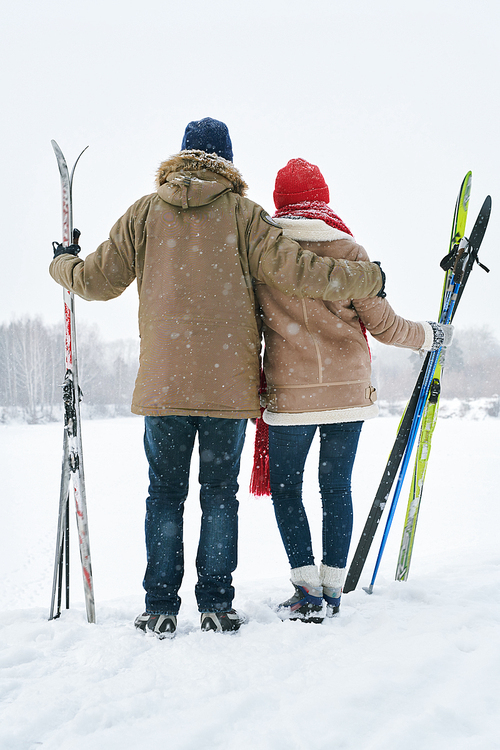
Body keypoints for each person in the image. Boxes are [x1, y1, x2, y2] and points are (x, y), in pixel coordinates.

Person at [50, 120, 385, 639]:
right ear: (225, 161)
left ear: (181, 156)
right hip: (227, 388)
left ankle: (160, 607)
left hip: (164, 388)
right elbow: (300, 270)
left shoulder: (144, 212)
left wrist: (63, 263)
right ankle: (216, 605)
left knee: (163, 494)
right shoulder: (244, 216)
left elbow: (95, 281)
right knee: (218, 494)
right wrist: (368, 278)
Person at [254, 158, 453, 623]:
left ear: (280, 201)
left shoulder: (265, 253)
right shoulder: (351, 252)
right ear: (322, 197)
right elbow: (383, 326)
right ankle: (333, 588)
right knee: (335, 488)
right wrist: (431, 336)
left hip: (291, 393)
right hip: (347, 391)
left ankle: (305, 590)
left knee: (287, 489)